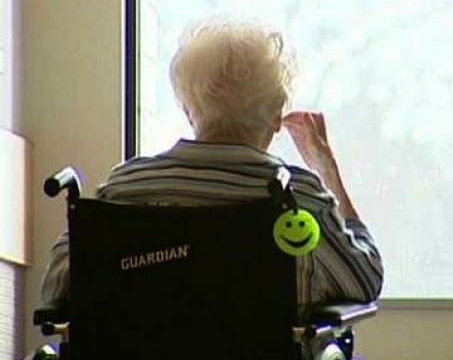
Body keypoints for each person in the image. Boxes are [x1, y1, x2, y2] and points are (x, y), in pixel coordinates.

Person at [41, 18, 384, 316]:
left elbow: (57, 283)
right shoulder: (295, 194)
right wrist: (327, 169)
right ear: (277, 118)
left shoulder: (127, 185)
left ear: (189, 109)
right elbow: (364, 278)